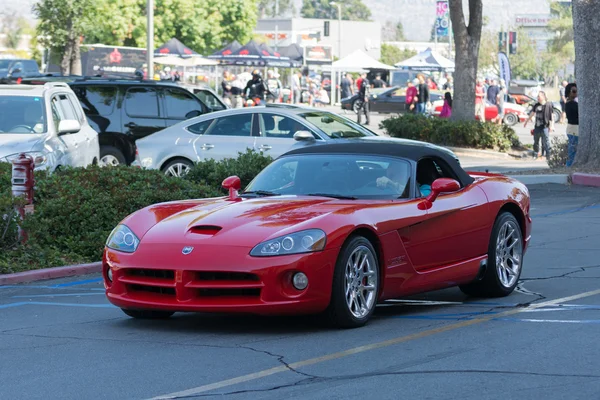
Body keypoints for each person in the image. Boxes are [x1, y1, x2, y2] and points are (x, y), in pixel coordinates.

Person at [524, 91, 554, 159]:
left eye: (539, 96)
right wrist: (526, 121)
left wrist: (552, 125)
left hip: (545, 126)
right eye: (537, 96)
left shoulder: (549, 104)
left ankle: (548, 154)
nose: (538, 97)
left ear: (543, 97)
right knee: (536, 142)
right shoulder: (536, 105)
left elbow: (551, 116)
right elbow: (532, 113)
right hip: (537, 126)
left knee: (546, 141)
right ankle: (535, 153)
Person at [565, 83, 578, 166]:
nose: (576, 93)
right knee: (572, 152)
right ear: (568, 92)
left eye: (576, 91)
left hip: (574, 129)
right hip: (573, 130)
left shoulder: (574, 103)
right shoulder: (570, 104)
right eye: (573, 91)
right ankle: (568, 167)